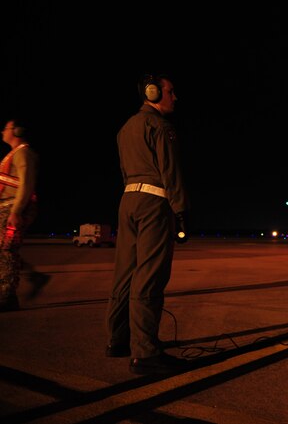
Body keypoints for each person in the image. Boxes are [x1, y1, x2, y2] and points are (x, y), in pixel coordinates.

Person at [105, 74, 191, 375]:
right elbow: (170, 171)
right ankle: (145, 352)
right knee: (150, 274)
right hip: (154, 203)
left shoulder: (125, 128)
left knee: (125, 272)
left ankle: (118, 340)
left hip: (127, 201)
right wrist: (180, 210)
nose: (175, 97)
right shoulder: (160, 126)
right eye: (170, 91)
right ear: (153, 93)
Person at [0, 118, 39, 311]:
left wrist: (16, 211)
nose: (2, 132)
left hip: (12, 208)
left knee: (7, 252)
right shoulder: (14, 154)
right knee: (3, 251)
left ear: (17, 130)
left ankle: (7, 296)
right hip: (6, 207)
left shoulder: (23, 154)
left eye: (5, 128)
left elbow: (26, 183)